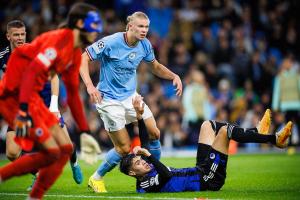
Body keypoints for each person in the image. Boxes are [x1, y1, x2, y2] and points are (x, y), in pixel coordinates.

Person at [0, 3, 102, 199]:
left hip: (42, 101)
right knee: (14, 153)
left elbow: (71, 92)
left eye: (23, 34)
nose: (97, 31)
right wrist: (21, 111)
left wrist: (85, 131)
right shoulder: (50, 49)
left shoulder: (73, 54)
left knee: (66, 149)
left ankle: (72, 163)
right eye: (93, 26)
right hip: (21, 105)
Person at [79, 11, 182, 192]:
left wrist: (174, 76)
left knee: (154, 133)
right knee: (124, 148)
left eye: (146, 27)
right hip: (109, 100)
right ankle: (96, 178)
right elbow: (83, 57)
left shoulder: (145, 45)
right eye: (140, 26)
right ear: (130, 26)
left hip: (130, 97)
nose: (144, 30)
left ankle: (154, 174)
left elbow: (155, 66)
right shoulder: (111, 42)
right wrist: (89, 86)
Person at [119, 96, 293, 193]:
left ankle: (255, 131)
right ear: (133, 173)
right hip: (208, 180)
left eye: (140, 160)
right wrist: (149, 156)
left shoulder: (146, 166)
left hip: (200, 168)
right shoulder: (144, 185)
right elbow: (165, 175)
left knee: (207, 125)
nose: (143, 161)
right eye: (138, 163)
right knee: (225, 133)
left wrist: (139, 115)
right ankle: (274, 140)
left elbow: (145, 141)